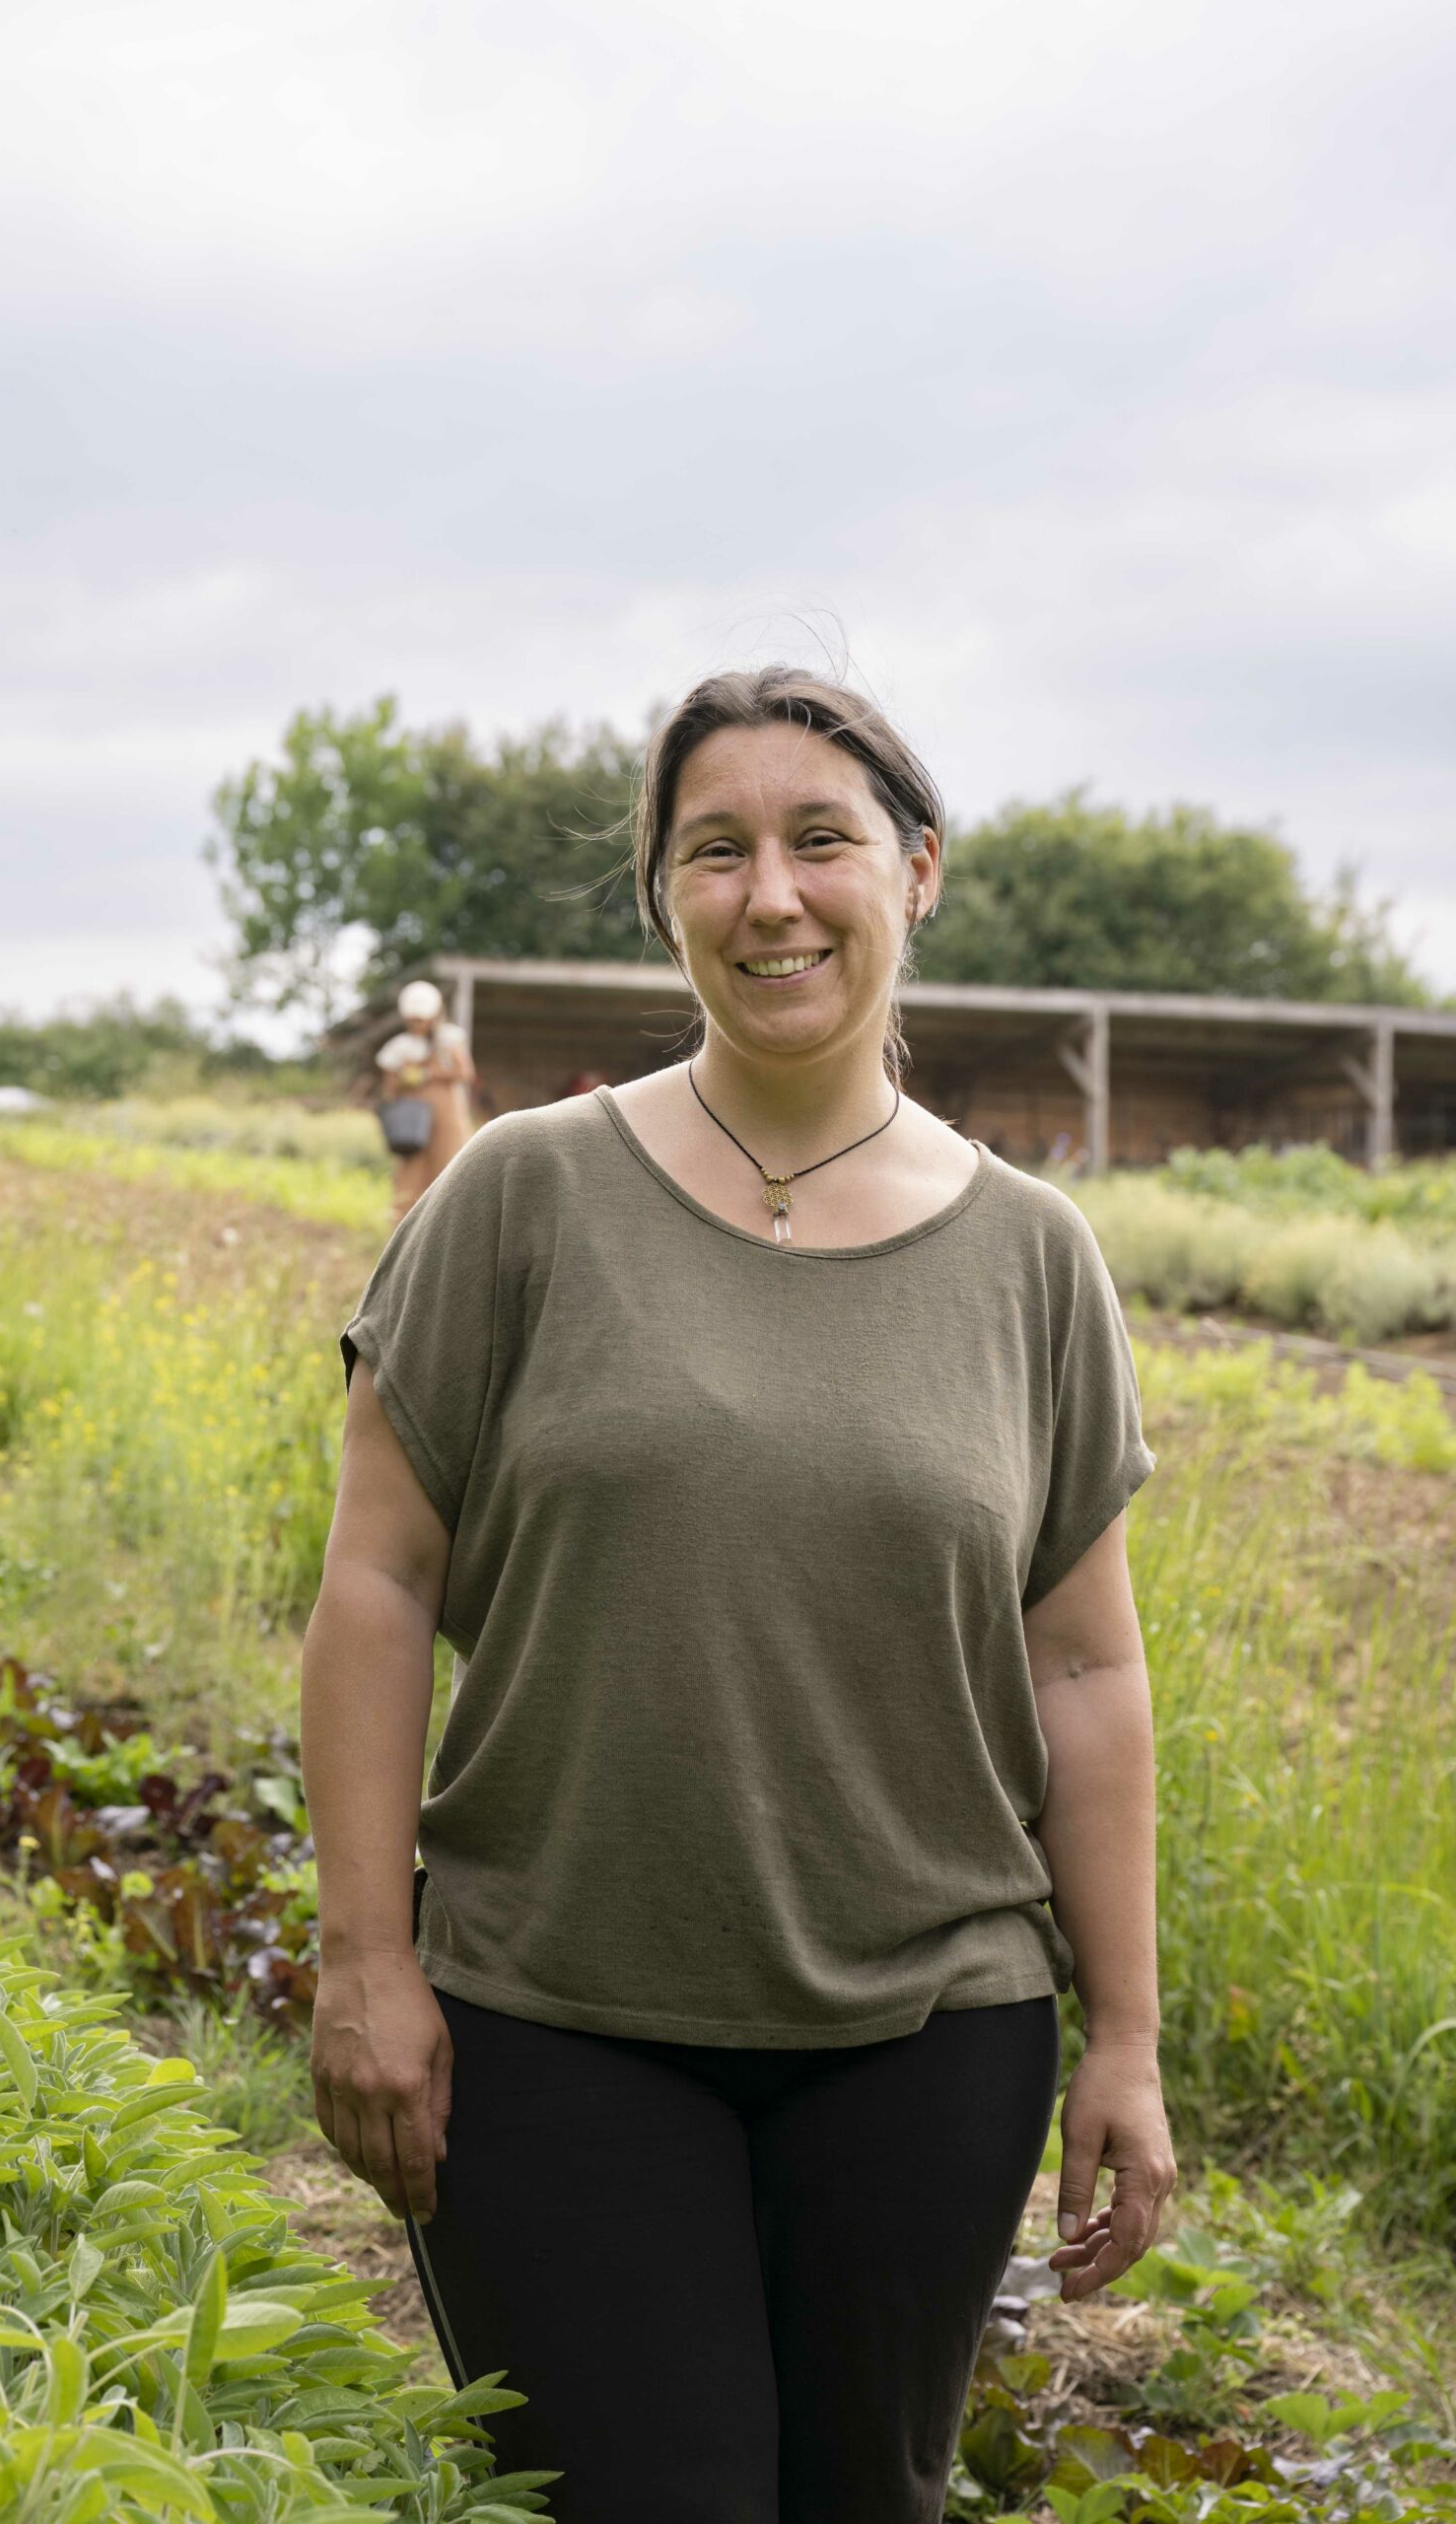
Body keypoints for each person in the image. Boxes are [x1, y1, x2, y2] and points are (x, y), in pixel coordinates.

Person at [302, 667, 1177, 2524]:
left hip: (930, 2030)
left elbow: (1086, 1670)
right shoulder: (518, 1198)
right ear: (663, 896)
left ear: (915, 873)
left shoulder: (1034, 1258)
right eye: (716, 850)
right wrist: (366, 1960)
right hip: (551, 2020)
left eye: (818, 840)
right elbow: (375, 1584)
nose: (769, 893)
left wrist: (1124, 2038)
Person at [371, 978, 475, 1223]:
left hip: (447, 1120)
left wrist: (428, 1073)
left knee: (450, 1168)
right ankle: (404, 1230)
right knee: (410, 1175)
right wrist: (407, 1078)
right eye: (414, 1019)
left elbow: (465, 1073)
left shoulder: (449, 1039)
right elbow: (389, 1087)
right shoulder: (398, 1047)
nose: (418, 1024)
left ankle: (451, 1228)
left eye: (422, 1019)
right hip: (412, 1124)